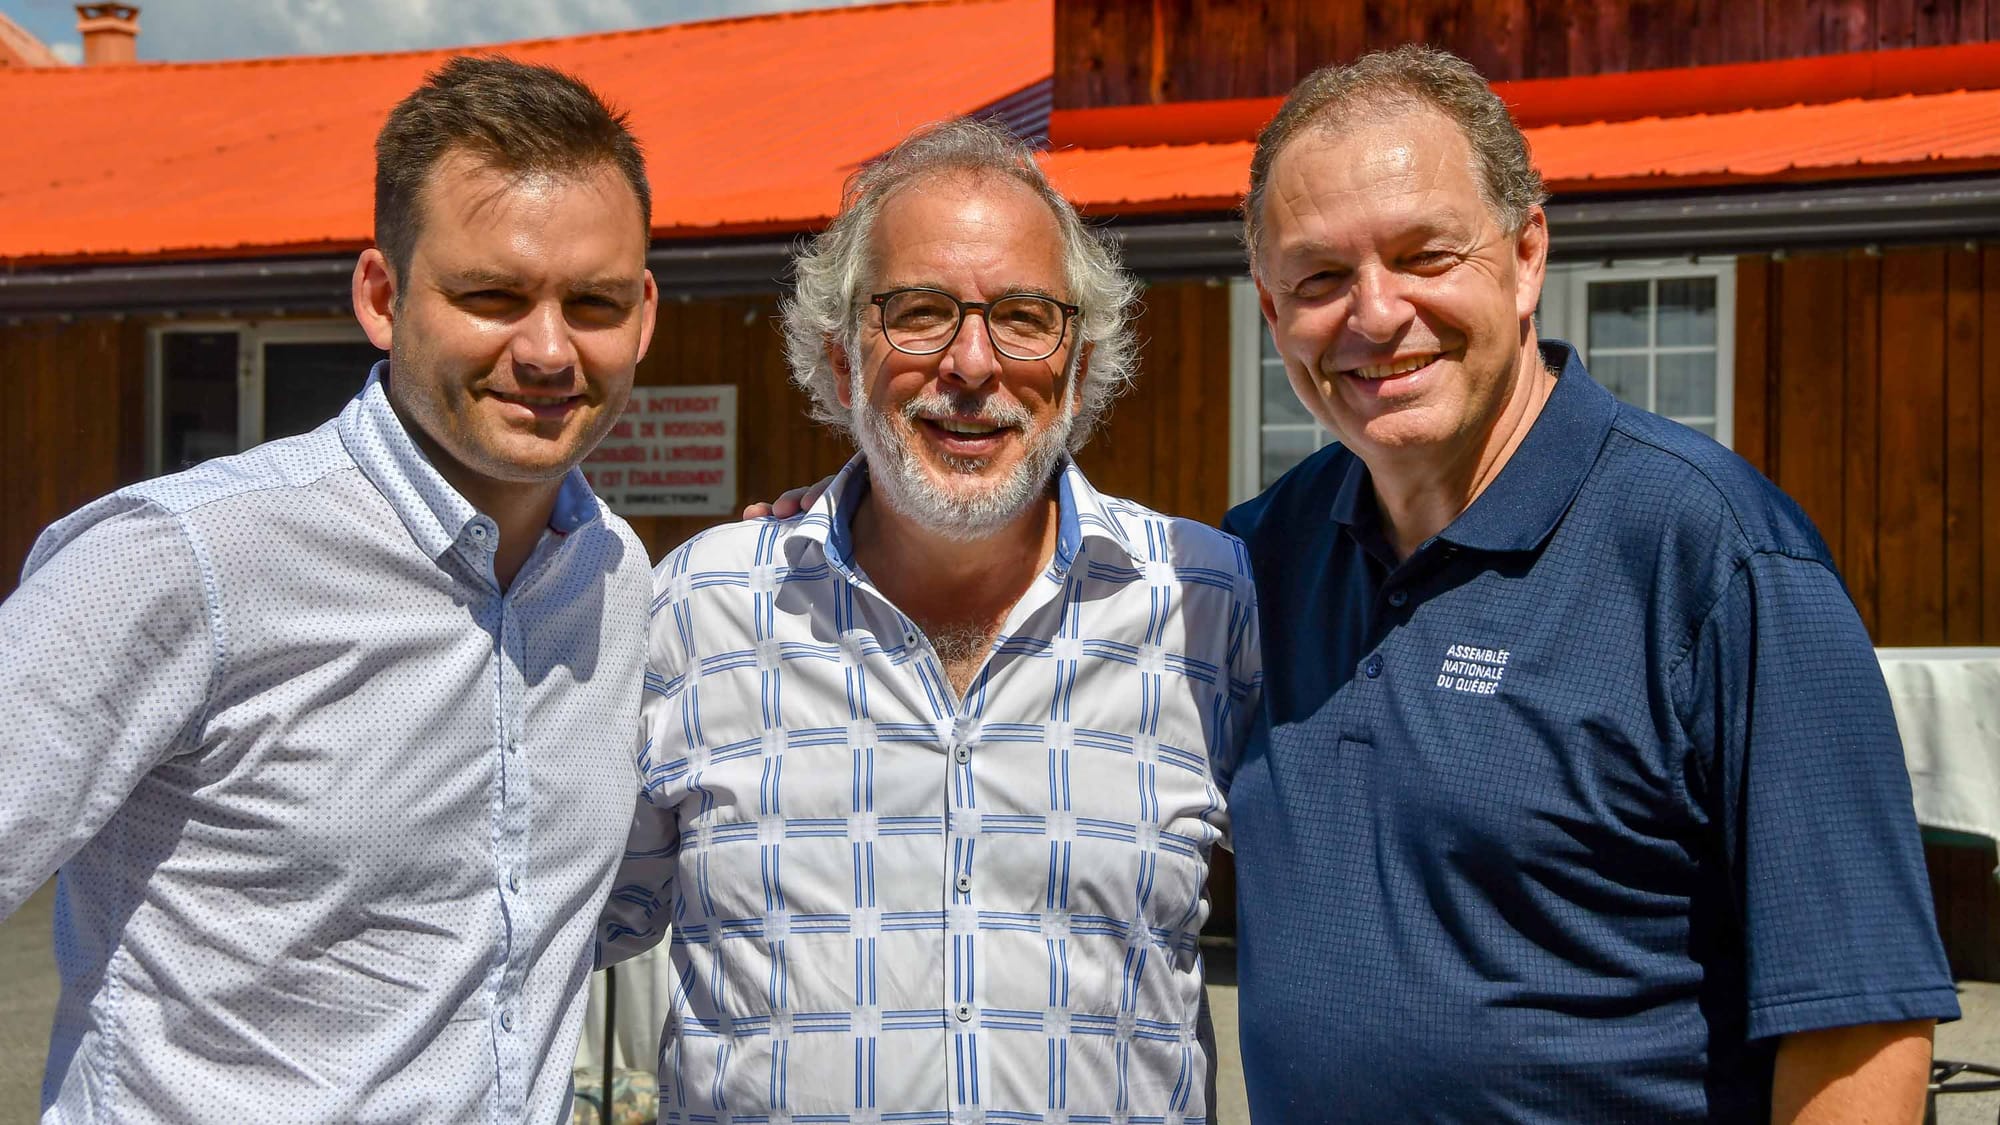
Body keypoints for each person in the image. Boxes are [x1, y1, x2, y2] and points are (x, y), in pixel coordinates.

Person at [1222, 45, 1957, 1121]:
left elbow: (1858, 1030)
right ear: (1268, 310)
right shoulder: (1253, 565)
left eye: (1424, 255)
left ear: (1525, 256)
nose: (1374, 316)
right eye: (1319, 278)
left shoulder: (1715, 558)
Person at [0, 56, 659, 1122]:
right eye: (491, 295)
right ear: (382, 297)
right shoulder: (184, 561)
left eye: (592, 302)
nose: (547, 349)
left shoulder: (614, 581)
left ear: (643, 314)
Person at [596, 119, 1259, 1123]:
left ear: (1078, 366)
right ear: (841, 357)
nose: (970, 363)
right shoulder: (702, 610)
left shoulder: (1200, 603)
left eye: (1024, 316)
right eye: (917, 312)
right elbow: (559, 923)